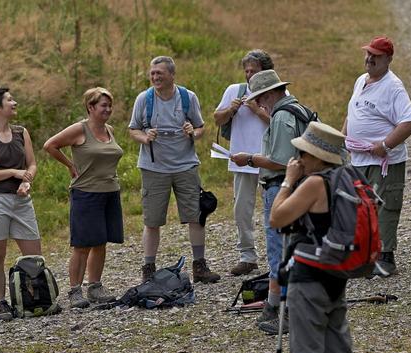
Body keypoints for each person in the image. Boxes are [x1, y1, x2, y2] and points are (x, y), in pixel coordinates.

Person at [269, 122, 355, 353]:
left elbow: (277, 218)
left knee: (308, 352)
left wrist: (287, 180)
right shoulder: (346, 179)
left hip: (309, 278)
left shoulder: (315, 184)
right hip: (335, 273)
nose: (298, 159)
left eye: (303, 153)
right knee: (338, 349)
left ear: (317, 157)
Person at [231, 69, 311, 334]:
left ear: (269, 94)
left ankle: (284, 313)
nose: (259, 104)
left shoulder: (282, 116)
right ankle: (279, 307)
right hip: (296, 189)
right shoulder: (297, 110)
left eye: (260, 98)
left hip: (281, 188)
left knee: (280, 251)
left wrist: (250, 159)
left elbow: (280, 161)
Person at [128, 56, 220, 284]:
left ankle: (199, 266)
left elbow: (200, 128)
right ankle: (148, 268)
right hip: (153, 168)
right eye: (152, 73)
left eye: (159, 73)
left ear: (171, 75)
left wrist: (193, 132)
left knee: (196, 216)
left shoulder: (188, 98)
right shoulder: (144, 99)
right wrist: (145, 137)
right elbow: (133, 130)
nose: (155, 77)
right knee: (152, 221)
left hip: (185, 165)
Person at [342, 36, 411, 277]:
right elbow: (351, 113)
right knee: (360, 207)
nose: (370, 59)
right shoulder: (360, 81)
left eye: (375, 55)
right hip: (358, 157)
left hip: (384, 160)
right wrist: (341, 137)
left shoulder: (393, 86)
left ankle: (386, 256)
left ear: (388, 59)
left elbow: (410, 121)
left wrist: (385, 144)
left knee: (385, 205)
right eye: (368, 54)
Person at [43, 87, 124, 308]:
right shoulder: (79, 130)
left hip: (109, 191)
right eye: (102, 105)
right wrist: (70, 165)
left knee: (101, 241)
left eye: (109, 105)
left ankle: (95, 286)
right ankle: (75, 290)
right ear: (90, 107)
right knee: (82, 244)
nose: (107, 109)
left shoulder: (109, 130)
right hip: (86, 192)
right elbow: (50, 145)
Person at [0, 87, 42, 320]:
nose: (15, 103)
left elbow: (31, 164)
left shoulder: (21, 132)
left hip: (22, 200)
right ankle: (1, 302)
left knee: (34, 253)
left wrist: (27, 180)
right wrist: (14, 172)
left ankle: (35, 298)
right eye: (9, 100)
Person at [214, 49, 274, 276]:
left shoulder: (278, 92)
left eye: (254, 70)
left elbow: (281, 123)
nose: (249, 75)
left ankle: (276, 255)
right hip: (241, 159)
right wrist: (231, 109)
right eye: (246, 70)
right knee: (241, 209)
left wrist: (258, 111)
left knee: (272, 207)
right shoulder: (234, 91)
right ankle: (247, 256)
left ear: (265, 72)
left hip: (269, 160)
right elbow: (217, 119)